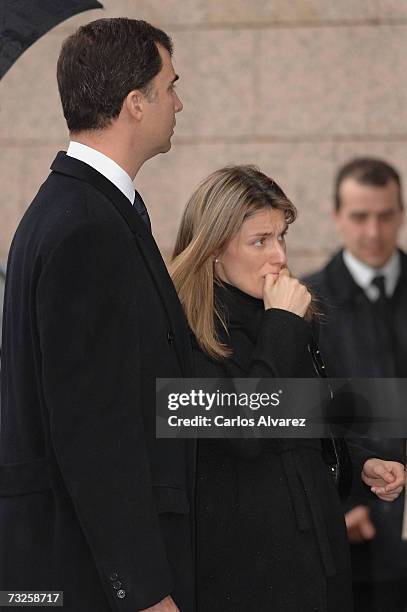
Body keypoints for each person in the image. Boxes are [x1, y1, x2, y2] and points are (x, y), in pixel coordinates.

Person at [0, 18, 194, 612]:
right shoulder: (85, 226)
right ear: (137, 103)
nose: (179, 103)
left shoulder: (87, 209)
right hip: (88, 580)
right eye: (171, 85)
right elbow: (92, 431)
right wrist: (142, 591)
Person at [169, 165, 405, 612]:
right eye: (260, 241)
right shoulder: (187, 333)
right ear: (214, 249)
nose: (279, 255)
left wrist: (360, 463)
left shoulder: (282, 315)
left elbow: (303, 425)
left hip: (319, 565)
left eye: (281, 237)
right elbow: (246, 430)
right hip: (245, 578)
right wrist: (282, 326)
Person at [304, 157, 407, 612]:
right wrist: (338, 505)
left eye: (385, 215)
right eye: (360, 217)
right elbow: (300, 419)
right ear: (336, 217)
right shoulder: (307, 306)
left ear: (401, 214)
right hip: (348, 540)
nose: (373, 231)